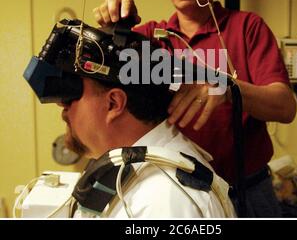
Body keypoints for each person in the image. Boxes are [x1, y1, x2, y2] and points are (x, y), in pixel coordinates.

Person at [93, 0, 297, 217]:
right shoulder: (152, 39)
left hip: (250, 190)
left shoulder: (247, 27)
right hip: (181, 191)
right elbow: (100, 78)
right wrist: (115, 28)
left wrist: (226, 88)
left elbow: (285, 107)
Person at [23, 21, 235, 218]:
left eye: (70, 96)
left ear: (114, 103)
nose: (61, 107)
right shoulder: (127, 166)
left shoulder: (166, 201)